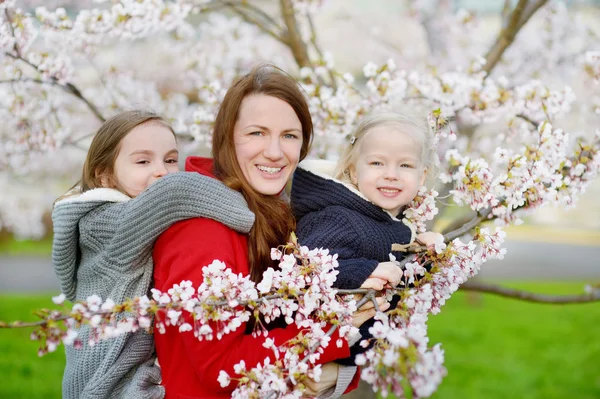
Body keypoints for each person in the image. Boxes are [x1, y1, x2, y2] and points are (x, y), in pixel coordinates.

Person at [152, 66, 386, 398]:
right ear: (227, 137)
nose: (275, 152)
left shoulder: (276, 214)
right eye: (257, 133)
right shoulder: (201, 229)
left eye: (289, 135)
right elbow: (221, 368)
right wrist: (335, 333)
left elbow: (312, 358)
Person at [52, 110, 256, 399]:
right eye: (143, 161)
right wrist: (252, 214)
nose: (161, 170)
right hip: (103, 381)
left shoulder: (133, 215)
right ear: (106, 176)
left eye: (171, 160)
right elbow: (174, 192)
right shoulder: (105, 223)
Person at [291, 112, 442, 364]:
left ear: (422, 176)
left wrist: (423, 255)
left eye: (405, 165)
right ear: (353, 171)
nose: (391, 174)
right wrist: (368, 270)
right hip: (319, 345)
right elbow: (307, 269)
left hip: (351, 350)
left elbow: (397, 278)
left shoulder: (384, 219)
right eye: (377, 163)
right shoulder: (339, 218)